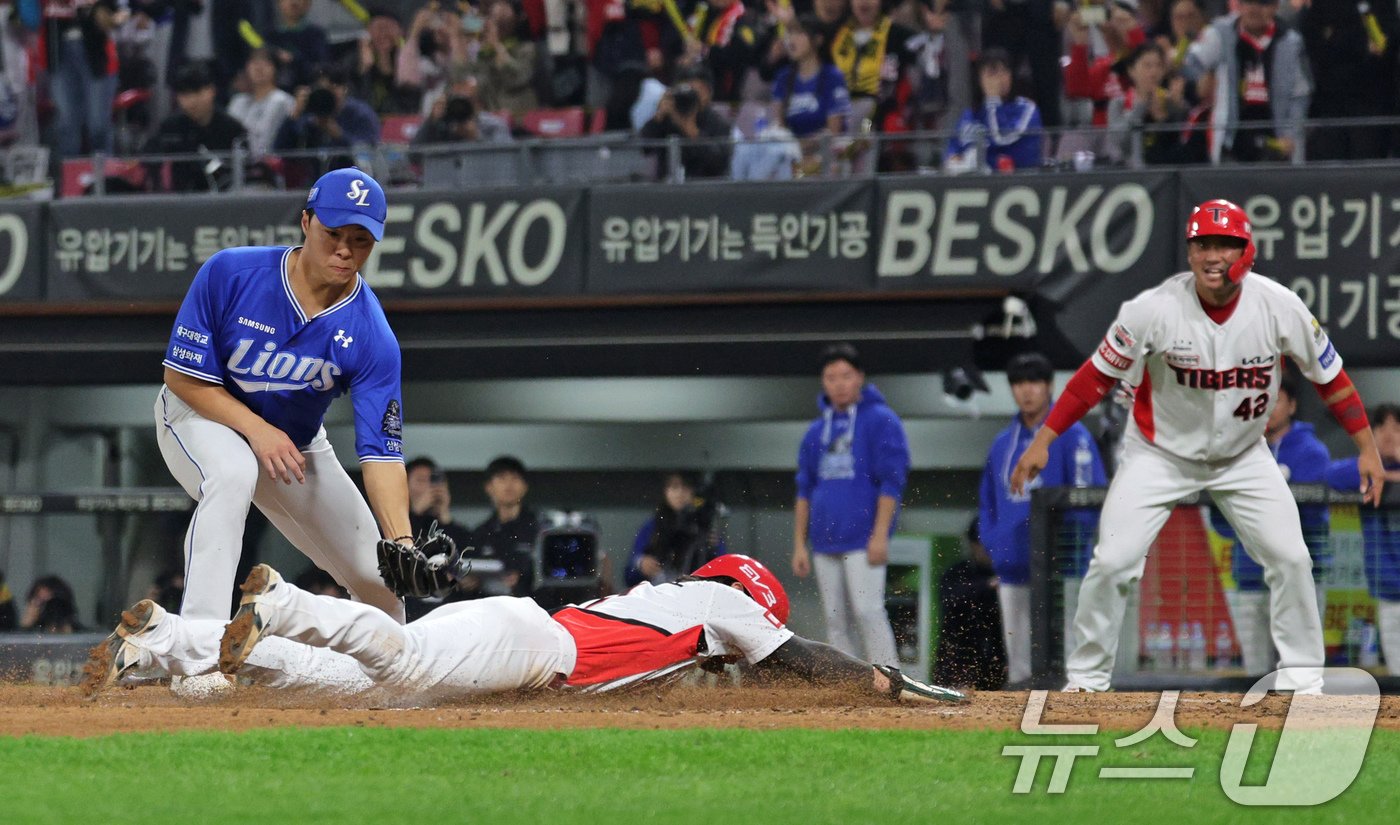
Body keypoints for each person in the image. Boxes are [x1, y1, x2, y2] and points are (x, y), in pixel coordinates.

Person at [1011, 198, 1386, 694]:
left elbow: (1331, 379)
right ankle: (1086, 680)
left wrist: (1366, 447)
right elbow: (1091, 381)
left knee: (1291, 558)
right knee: (1113, 562)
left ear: (1246, 251)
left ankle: (1302, 682)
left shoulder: (1278, 306)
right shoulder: (1153, 310)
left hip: (1243, 456)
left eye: (1225, 244)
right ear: (1189, 253)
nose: (1213, 255)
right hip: (1158, 454)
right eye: (1202, 244)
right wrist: (1045, 438)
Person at [83, 554, 965, 706]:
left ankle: (159, 639)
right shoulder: (721, 603)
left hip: (531, 646)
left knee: (345, 687)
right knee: (401, 659)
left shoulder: (692, 609)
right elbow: (801, 662)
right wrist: (886, 680)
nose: (761, 623)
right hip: (538, 645)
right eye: (761, 608)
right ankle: (285, 604)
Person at [154, 168, 410, 661]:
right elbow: (181, 378)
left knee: (380, 583)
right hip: (197, 415)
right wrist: (255, 429)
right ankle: (197, 651)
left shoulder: (372, 334)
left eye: (360, 240)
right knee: (232, 472)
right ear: (305, 222)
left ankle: (379, 685)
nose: (344, 250)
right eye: (333, 233)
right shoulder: (232, 273)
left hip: (293, 447)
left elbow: (382, 453)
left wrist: (401, 540)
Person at [979, 352, 1105, 686]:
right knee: (1018, 662)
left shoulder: (1073, 435)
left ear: (1049, 386)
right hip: (1013, 566)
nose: (1026, 391)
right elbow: (988, 501)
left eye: (1034, 382)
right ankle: (1023, 722)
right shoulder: (1001, 443)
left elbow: (1087, 496)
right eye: (1019, 383)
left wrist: (1071, 550)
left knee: (1068, 654)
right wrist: (996, 546)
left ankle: (1071, 718)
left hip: (1062, 566)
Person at [791, 342, 907, 667]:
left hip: (863, 539)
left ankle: (890, 678)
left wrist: (881, 535)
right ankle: (848, 686)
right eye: (831, 377)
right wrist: (799, 544)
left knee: (868, 610)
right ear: (823, 382)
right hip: (823, 540)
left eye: (845, 375)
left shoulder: (881, 420)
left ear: (860, 378)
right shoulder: (816, 432)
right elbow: (804, 489)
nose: (839, 383)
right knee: (835, 621)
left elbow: (892, 481)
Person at [1211, 367, 1329, 675]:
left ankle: (1303, 720)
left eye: (1278, 400)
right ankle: (1256, 724)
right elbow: (1221, 518)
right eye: (1263, 400)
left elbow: (1317, 517)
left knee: (1300, 668)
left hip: (1302, 579)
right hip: (1249, 577)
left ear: (1291, 405)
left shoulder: (1312, 451)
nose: (1270, 407)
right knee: (1255, 673)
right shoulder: (1236, 451)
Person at [1180, 0, 1310, 163]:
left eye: (1263, 3)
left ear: (1275, 7)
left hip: (1276, 145)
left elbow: (1300, 95)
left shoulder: (1290, 42)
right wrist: (1202, 81)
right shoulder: (1220, 33)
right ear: (1239, 5)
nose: (1254, 9)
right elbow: (1190, 65)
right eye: (1248, 2)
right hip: (1231, 142)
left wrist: (1290, 134)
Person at [1326, 403, 1400, 674]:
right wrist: (1379, 467)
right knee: (1397, 674)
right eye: (1380, 427)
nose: (1389, 434)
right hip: (1390, 591)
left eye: (1397, 427)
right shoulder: (1365, 470)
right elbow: (1331, 474)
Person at [143, 61, 248, 192]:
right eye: (185, 95)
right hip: (180, 201)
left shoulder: (232, 129)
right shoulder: (170, 127)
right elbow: (149, 156)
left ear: (211, 91)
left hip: (224, 201)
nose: (192, 101)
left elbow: (245, 171)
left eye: (197, 92)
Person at [769, 14, 852, 175]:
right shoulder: (783, 78)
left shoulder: (833, 77)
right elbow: (778, 127)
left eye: (799, 34)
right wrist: (792, 149)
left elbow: (833, 131)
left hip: (824, 154)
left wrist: (801, 146)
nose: (791, 40)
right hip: (790, 155)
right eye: (789, 34)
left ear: (818, 40)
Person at [932, 519, 1006, 691]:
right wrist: (988, 585)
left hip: (996, 666)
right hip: (958, 666)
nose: (990, 552)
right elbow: (952, 598)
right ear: (973, 545)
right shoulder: (957, 573)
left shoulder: (1010, 578)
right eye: (985, 546)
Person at [943, 48, 1042, 172]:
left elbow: (1000, 137)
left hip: (1017, 179)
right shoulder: (971, 113)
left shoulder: (1026, 109)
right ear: (980, 79)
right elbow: (954, 145)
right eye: (992, 73)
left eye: (1005, 71)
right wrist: (953, 158)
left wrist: (993, 100)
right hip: (971, 181)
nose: (1000, 79)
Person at [455, 455, 538, 602]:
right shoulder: (480, 533)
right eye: (501, 478)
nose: (509, 484)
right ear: (489, 487)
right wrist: (470, 582)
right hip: (489, 608)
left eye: (515, 478)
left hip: (533, 606)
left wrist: (524, 578)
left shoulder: (539, 528)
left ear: (525, 486)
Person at [626, 472, 728, 587]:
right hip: (660, 593)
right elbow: (629, 574)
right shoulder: (653, 526)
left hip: (697, 592)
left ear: (694, 492)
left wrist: (714, 548)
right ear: (665, 491)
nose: (680, 493)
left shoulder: (705, 526)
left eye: (685, 487)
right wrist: (641, 564)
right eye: (674, 486)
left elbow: (724, 572)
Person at [637, 63, 734, 180]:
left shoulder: (718, 123)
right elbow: (643, 148)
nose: (689, 98)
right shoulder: (668, 119)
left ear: (708, 93)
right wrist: (659, 116)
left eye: (695, 92)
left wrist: (690, 129)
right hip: (668, 188)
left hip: (705, 189)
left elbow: (718, 164)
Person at [227, 49, 297, 159]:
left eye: (266, 63)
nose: (259, 68)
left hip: (272, 166)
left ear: (275, 68)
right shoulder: (237, 101)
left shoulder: (284, 101)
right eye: (254, 63)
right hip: (238, 166)